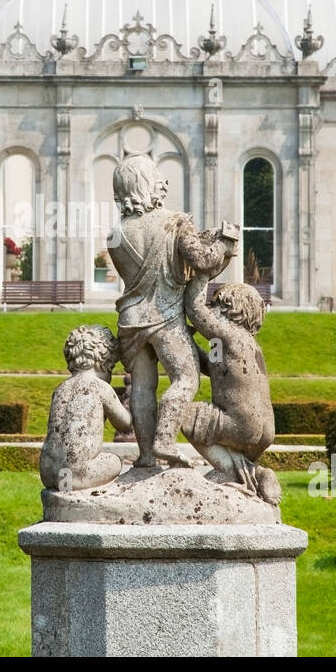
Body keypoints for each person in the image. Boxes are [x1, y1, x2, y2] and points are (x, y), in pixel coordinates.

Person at [108, 155, 235, 468]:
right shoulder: (176, 222)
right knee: (186, 379)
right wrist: (225, 242)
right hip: (166, 320)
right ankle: (165, 439)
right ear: (150, 185)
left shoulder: (114, 234)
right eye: (158, 177)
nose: (164, 183)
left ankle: (146, 455)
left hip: (131, 321)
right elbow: (204, 261)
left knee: (142, 388)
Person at [182, 271, 281, 505]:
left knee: (184, 414)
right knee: (227, 439)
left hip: (242, 423)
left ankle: (227, 470)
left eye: (216, 305)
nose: (211, 309)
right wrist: (188, 344)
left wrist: (201, 273)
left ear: (231, 309)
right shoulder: (247, 344)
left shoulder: (228, 334)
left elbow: (194, 309)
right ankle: (257, 474)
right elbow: (213, 366)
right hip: (266, 430)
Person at [40, 324, 130, 492]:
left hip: (49, 473)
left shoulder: (60, 389)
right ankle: (74, 486)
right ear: (105, 361)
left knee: (66, 470)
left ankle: (65, 486)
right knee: (114, 460)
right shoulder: (99, 387)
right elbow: (125, 424)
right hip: (77, 474)